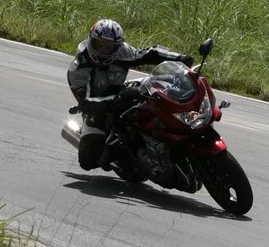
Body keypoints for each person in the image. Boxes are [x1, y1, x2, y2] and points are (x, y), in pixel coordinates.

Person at [67, 19, 194, 171]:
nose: (103, 51)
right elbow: (86, 104)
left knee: (162, 92)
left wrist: (179, 58)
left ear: (118, 46)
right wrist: (118, 98)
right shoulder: (78, 68)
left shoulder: (123, 51)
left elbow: (149, 53)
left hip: (124, 93)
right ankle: (127, 157)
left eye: (109, 47)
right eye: (99, 44)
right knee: (88, 160)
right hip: (98, 109)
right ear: (90, 40)